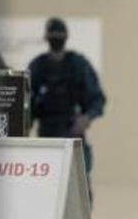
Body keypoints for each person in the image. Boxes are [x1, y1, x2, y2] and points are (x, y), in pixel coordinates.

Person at [28, 17, 105, 182]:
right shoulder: (37, 66)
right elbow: (27, 105)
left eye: (59, 34)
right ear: (46, 37)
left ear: (66, 36)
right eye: (53, 34)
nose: (56, 37)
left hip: (74, 137)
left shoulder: (78, 65)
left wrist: (86, 118)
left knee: (79, 190)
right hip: (47, 139)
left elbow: (97, 100)